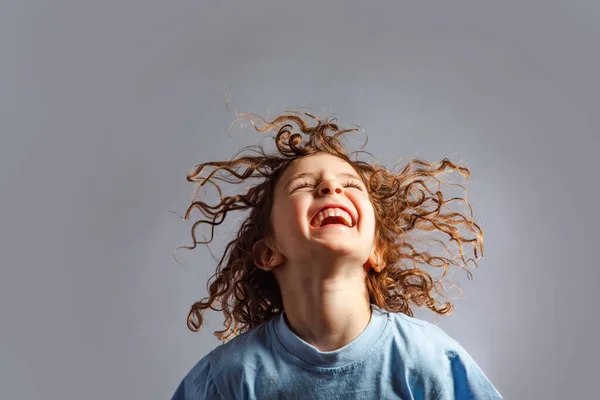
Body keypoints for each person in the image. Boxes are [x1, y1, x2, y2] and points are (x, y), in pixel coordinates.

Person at [171, 112, 502, 399]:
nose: (331, 187)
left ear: (376, 250)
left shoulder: (428, 359)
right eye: (303, 185)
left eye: (351, 185)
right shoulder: (228, 377)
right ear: (268, 251)